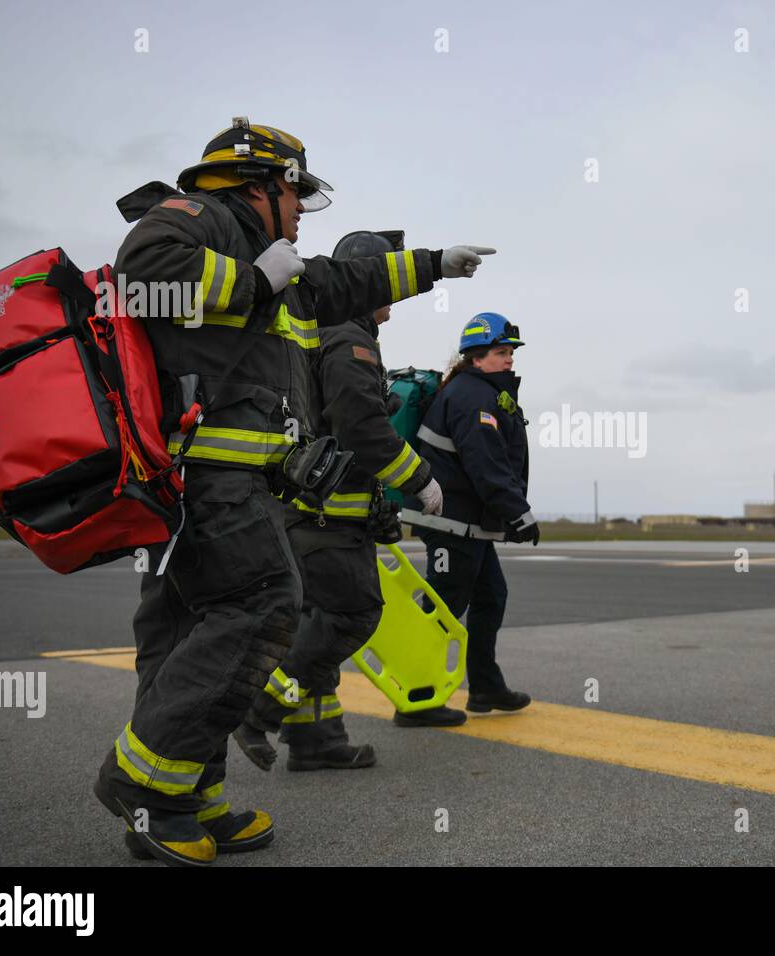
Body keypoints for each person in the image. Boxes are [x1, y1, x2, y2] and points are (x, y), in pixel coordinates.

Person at [95, 117, 494, 866]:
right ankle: (143, 781)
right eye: (295, 193)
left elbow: (345, 281)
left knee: (185, 632)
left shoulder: (266, 252)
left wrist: (437, 263)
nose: (302, 209)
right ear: (261, 184)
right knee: (264, 601)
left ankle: (187, 795)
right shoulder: (200, 218)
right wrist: (253, 282)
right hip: (209, 472)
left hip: (221, 478)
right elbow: (143, 279)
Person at [233, 230, 467, 777]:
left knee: (318, 620)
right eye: (382, 278)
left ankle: (316, 738)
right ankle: (262, 707)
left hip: (317, 512)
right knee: (351, 617)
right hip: (327, 518)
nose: (388, 291)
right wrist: (419, 479)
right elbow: (359, 422)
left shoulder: (331, 331)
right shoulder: (347, 337)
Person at [404, 313, 537, 713]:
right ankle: (417, 695)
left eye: (511, 352)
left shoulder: (482, 392)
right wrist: (519, 513)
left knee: (490, 597)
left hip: (469, 524)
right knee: (442, 609)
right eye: (501, 352)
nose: (510, 359)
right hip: (449, 522)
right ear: (476, 358)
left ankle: (484, 687)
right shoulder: (472, 396)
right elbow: (485, 462)